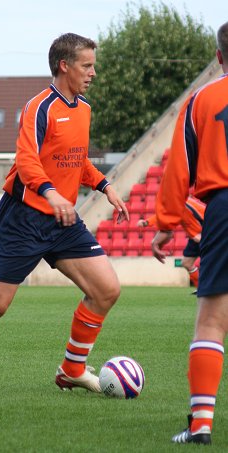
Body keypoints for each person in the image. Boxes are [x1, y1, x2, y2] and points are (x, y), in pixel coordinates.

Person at [0, 33, 129, 398]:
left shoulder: (84, 108)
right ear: (64, 65)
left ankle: (72, 370)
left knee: (106, 289)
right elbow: (27, 161)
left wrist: (106, 186)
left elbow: (76, 160)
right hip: (24, 217)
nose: (93, 72)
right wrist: (50, 192)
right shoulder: (39, 107)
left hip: (62, 220)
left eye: (93, 65)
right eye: (86, 65)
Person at [151, 22, 228, 445]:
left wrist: (164, 225)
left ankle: (200, 425)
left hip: (224, 208)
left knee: (212, 323)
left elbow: (178, 169)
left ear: (218, 57)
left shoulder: (202, 98)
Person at [137, 195, 205, 290]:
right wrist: (147, 222)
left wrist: (196, 235)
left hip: (207, 230)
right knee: (187, 263)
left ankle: (210, 290)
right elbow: (165, 216)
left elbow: (191, 218)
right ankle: (201, 288)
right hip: (198, 233)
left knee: (212, 262)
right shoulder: (178, 202)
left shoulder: (181, 205)